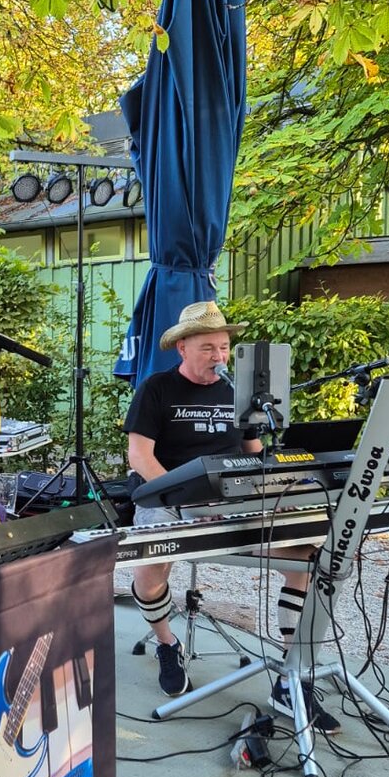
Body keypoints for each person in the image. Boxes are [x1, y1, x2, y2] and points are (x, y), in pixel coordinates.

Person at [124, 301, 339, 734]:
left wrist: (276, 488)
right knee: (149, 572)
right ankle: (168, 643)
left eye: (223, 347)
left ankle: (289, 677)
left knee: (304, 559)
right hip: (166, 493)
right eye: (208, 348)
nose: (219, 357)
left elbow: (253, 455)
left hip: (230, 499)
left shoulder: (239, 393)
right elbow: (139, 456)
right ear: (181, 347)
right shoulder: (156, 389)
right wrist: (182, 500)